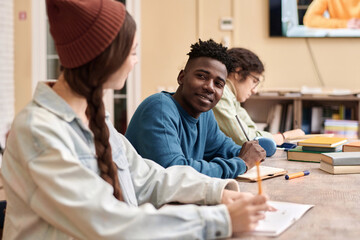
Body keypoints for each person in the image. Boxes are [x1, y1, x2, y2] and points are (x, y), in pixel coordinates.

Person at [1, 0, 273, 239]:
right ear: (104, 56)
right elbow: (106, 222)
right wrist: (221, 220)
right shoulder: (38, 131)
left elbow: (147, 177)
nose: (135, 61)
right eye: (132, 52)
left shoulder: (96, 119)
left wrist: (218, 192)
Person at [125, 39, 266, 179]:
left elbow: (223, 148)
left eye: (218, 83)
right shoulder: (159, 109)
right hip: (143, 201)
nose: (210, 87)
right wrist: (240, 163)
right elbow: (175, 172)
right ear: (181, 77)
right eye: (202, 76)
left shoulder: (205, 115)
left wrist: (250, 153)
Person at [213, 48, 305, 146]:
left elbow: (252, 129)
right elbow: (247, 139)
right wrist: (284, 137)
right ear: (238, 73)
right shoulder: (222, 93)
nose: (254, 91)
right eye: (254, 81)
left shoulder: (232, 98)